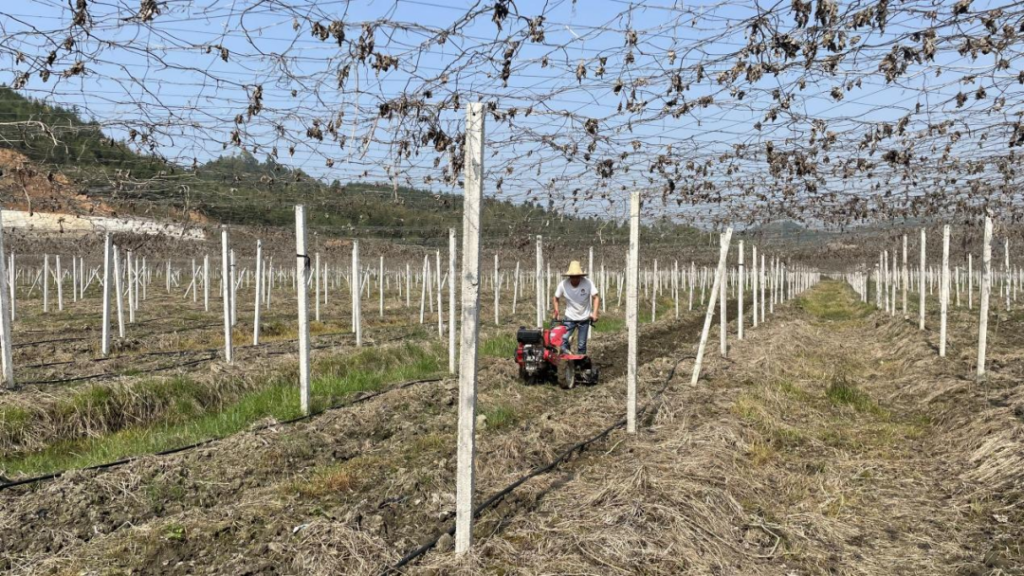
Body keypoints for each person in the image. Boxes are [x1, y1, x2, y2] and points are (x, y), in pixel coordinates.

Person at [551, 260, 600, 354]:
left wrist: (595, 313)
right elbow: (556, 298)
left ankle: (580, 365)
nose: (575, 279)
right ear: (569, 276)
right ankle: (566, 360)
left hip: (584, 317)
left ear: (580, 276)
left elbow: (596, 297)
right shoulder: (563, 284)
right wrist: (556, 312)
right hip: (569, 317)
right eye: (572, 277)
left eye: (577, 276)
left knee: (581, 344)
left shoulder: (587, 283)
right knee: (563, 339)